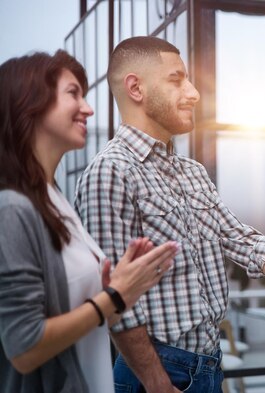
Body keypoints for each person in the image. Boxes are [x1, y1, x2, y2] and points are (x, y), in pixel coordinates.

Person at [74, 36, 265, 393]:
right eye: (177, 79)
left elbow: (243, 241)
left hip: (207, 365)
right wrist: (157, 382)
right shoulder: (111, 172)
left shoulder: (191, 172)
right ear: (135, 88)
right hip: (158, 373)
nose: (193, 93)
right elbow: (117, 301)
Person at [0, 50, 179, 393]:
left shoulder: (55, 200)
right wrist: (114, 296)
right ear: (29, 102)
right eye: (73, 94)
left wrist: (125, 290)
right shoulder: (12, 209)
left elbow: (85, 316)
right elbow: (23, 348)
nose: (88, 108)